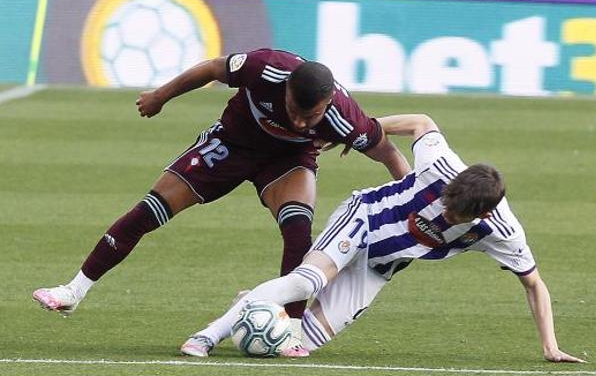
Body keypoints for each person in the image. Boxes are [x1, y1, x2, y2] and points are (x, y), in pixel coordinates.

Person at [32, 49, 411, 357]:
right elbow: (212, 68)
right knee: (150, 210)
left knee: (298, 230)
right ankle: (73, 291)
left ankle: (292, 330)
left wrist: (411, 200)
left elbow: (389, 153)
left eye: (308, 116)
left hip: (287, 163)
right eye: (293, 108)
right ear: (288, 88)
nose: (298, 121)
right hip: (231, 143)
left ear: (327, 102)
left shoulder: (347, 119)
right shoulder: (266, 68)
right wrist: (160, 96)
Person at [180, 113, 585, 363]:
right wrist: (356, 133)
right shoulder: (443, 164)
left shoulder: (502, 231)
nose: (445, 212)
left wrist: (549, 345)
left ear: (483, 214)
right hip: (365, 219)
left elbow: (534, 283)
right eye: (446, 201)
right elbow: (422, 122)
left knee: (302, 342)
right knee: (307, 281)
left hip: (380, 267)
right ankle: (209, 334)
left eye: (454, 213)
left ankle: (252, 303)